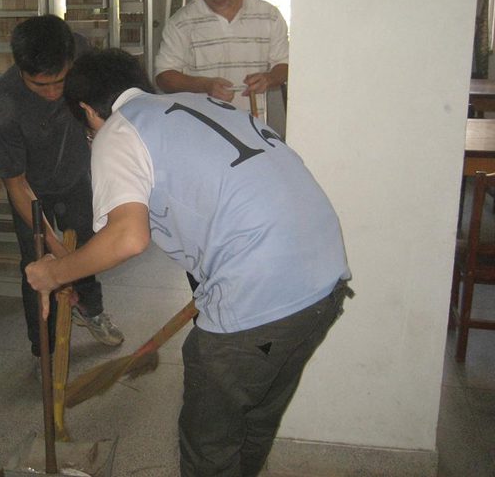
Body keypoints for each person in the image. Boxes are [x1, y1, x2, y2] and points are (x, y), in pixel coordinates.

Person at [26, 48, 352, 477]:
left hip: (261, 298)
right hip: (324, 281)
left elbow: (128, 237)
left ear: (87, 109)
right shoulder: (199, 104)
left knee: (209, 444)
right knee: (255, 416)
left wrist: (53, 273)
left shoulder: (118, 131)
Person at [0, 15, 124, 374]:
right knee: (37, 260)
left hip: (75, 173)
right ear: (20, 70)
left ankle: (92, 311)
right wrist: (58, 254)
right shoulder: (2, 104)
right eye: (39, 85)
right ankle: (42, 345)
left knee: (88, 246)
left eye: (60, 81)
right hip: (31, 188)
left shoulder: (82, 52)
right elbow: (16, 185)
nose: (52, 93)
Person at [155, 0, 288, 137]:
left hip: (253, 131)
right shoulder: (181, 22)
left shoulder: (269, 16)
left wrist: (268, 79)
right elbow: (164, 76)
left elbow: (285, 66)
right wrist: (204, 85)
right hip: (201, 132)